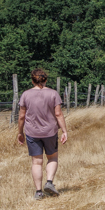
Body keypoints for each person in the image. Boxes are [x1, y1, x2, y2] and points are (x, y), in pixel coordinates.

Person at [16, 68, 68, 200]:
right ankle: (49, 182)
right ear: (45, 79)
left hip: (32, 132)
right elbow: (58, 114)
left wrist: (20, 133)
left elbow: (21, 116)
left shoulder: (25, 95)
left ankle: (38, 192)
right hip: (50, 132)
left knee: (36, 162)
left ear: (32, 80)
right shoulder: (53, 94)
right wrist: (64, 131)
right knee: (52, 158)